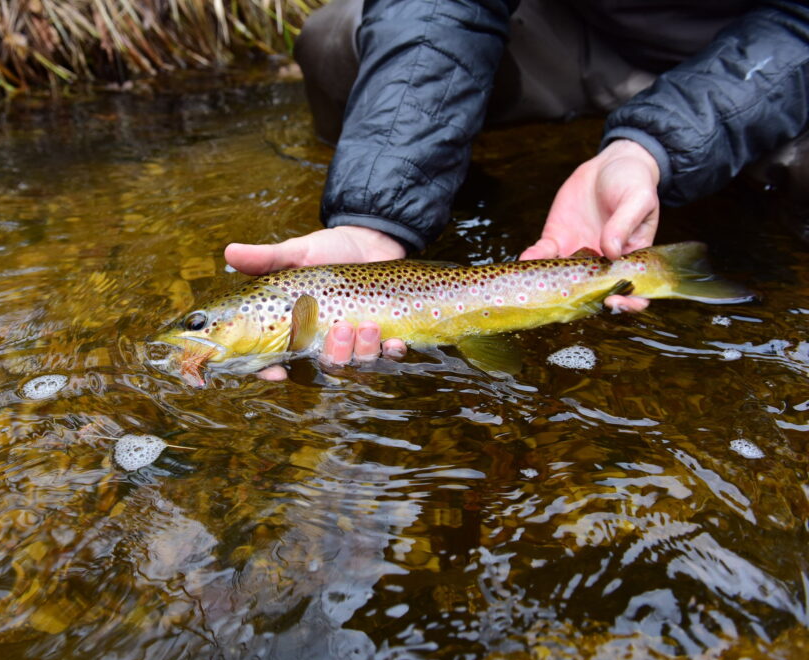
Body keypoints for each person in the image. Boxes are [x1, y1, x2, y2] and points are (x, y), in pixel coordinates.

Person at [225, 0, 809, 380]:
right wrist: (372, 215)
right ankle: (444, 198)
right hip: (575, 35)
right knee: (335, 39)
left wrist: (647, 149)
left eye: (204, 325)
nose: (198, 333)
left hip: (770, 50)